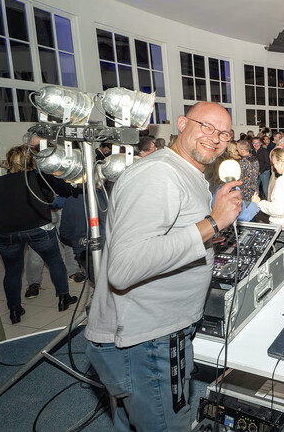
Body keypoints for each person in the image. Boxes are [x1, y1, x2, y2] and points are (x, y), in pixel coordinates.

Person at [85, 102, 243, 432]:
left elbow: (170, 237)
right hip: (148, 340)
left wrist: (209, 230)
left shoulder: (186, 172)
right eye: (206, 126)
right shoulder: (158, 175)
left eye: (224, 133)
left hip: (158, 333)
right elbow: (125, 268)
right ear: (182, 124)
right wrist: (213, 222)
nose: (215, 138)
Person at [0, 145, 76, 324]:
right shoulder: (38, 177)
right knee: (54, 262)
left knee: (12, 271)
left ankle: (14, 310)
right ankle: (63, 298)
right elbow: (66, 191)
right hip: (38, 228)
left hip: (6, 233)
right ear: (32, 160)